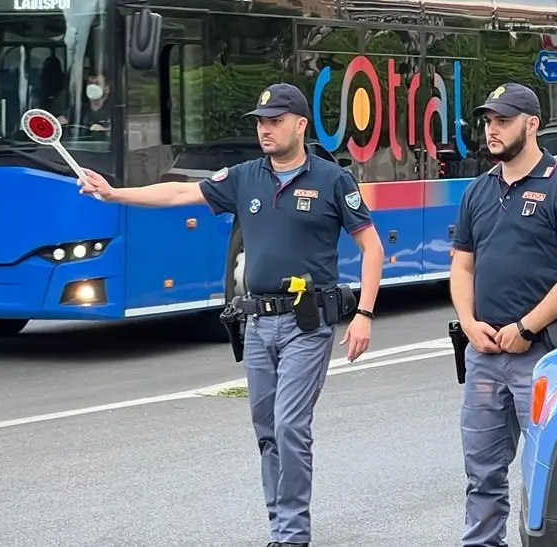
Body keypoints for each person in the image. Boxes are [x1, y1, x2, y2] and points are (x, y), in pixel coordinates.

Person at [76, 82, 384, 547]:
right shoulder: (245, 177)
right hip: (258, 324)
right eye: (260, 122)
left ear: (300, 125)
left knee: (290, 426)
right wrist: (115, 194)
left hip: (307, 323)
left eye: (275, 121)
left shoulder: (332, 179)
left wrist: (364, 313)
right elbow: (179, 195)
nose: (265, 130)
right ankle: (279, 525)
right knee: (266, 431)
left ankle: (291, 535)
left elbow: (372, 246)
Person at [449, 82, 557, 547]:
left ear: (531, 124)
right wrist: (470, 322)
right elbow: (461, 264)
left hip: (542, 357)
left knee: (545, 474)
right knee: (482, 474)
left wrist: (525, 327)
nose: (492, 130)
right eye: (489, 121)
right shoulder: (479, 189)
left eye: (503, 121)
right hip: (484, 355)